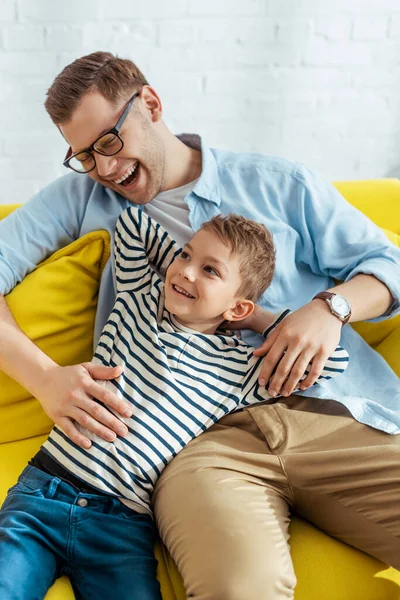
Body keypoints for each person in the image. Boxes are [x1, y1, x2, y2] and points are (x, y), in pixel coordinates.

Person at [0, 51, 399, 599]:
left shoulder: (277, 185)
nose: (105, 170)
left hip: (329, 416)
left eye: (110, 144)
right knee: (239, 587)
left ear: (150, 104)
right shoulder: (89, 201)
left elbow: (388, 267)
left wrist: (329, 308)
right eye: (83, 156)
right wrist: (44, 377)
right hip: (197, 445)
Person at [0, 207, 349, 599]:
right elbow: (131, 222)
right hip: (44, 492)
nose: (186, 271)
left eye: (210, 270)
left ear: (237, 307)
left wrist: (253, 318)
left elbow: (333, 360)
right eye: (185, 255)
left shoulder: (243, 369)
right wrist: (193, 271)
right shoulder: (139, 299)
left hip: (121, 524)